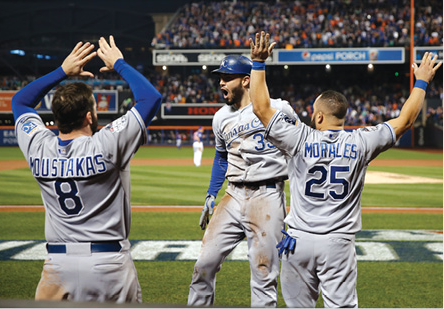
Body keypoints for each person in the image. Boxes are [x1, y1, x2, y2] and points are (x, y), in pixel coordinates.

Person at [249, 31, 442, 308]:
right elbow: (405, 120)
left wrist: (258, 63)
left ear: (317, 116)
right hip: (338, 243)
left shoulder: (300, 136)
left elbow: (260, 107)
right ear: (343, 116)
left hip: (298, 240)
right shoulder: (362, 141)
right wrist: (422, 80)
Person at [12, 36, 162, 303]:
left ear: (56, 117)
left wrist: (61, 72)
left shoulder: (37, 145)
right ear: (90, 117)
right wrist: (119, 64)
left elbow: (20, 102)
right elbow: (150, 97)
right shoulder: (106, 143)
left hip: (57, 266)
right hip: (109, 265)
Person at [187, 54, 299, 307]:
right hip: (233, 195)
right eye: (220, 78)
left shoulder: (279, 108)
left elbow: (301, 147)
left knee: (263, 273)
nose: (221, 83)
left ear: (246, 80)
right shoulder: (220, 117)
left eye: (227, 78)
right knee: (204, 264)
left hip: (267, 196)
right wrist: (211, 194)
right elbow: (221, 157)